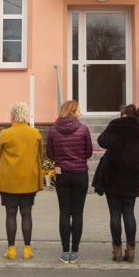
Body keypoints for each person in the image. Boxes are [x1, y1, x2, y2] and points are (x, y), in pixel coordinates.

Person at [93, 103, 139, 263]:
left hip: (112, 175)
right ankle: (131, 250)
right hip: (131, 176)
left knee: (115, 212)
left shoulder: (114, 126)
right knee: (129, 212)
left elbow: (102, 141)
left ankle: (116, 250)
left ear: (122, 114)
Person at [0, 102, 43, 261]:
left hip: (10, 180)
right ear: (25, 115)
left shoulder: (5, 134)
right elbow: (39, 154)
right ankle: (27, 249)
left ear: (12, 116)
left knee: (10, 214)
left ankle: (11, 249)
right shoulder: (35, 133)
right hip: (28, 179)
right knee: (27, 214)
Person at [47, 99, 93, 263]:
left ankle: (65, 249)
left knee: (64, 212)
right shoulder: (83, 129)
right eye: (79, 110)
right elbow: (88, 153)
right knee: (78, 212)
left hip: (62, 174)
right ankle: (75, 250)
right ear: (73, 112)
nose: (80, 113)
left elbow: (50, 154)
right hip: (80, 173)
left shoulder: (53, 130)